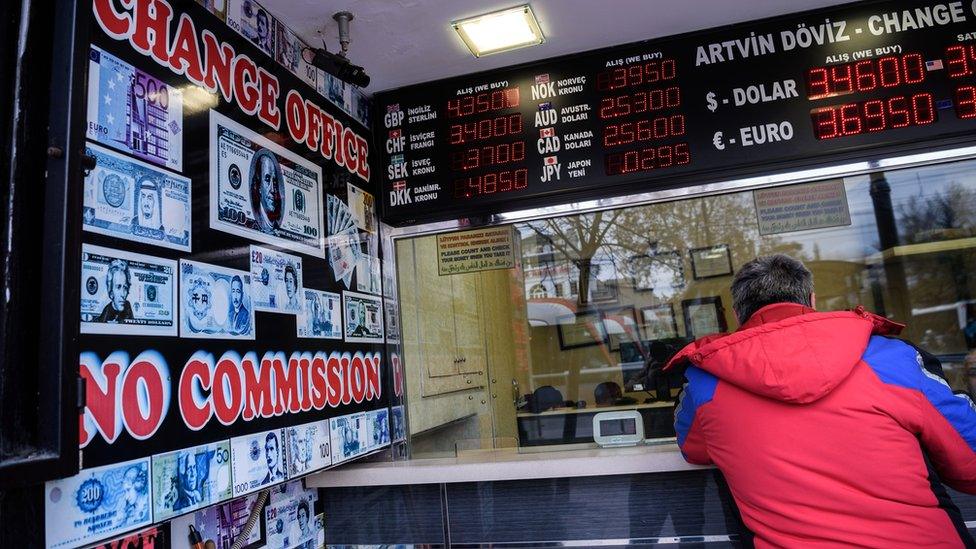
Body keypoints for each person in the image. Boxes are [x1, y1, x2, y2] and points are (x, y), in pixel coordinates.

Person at [667, 254, 976, 547]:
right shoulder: (894, 358)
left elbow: (692, 448)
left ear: (737, 314)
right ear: (812, 300)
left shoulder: (705, 382)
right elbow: (970, 464)